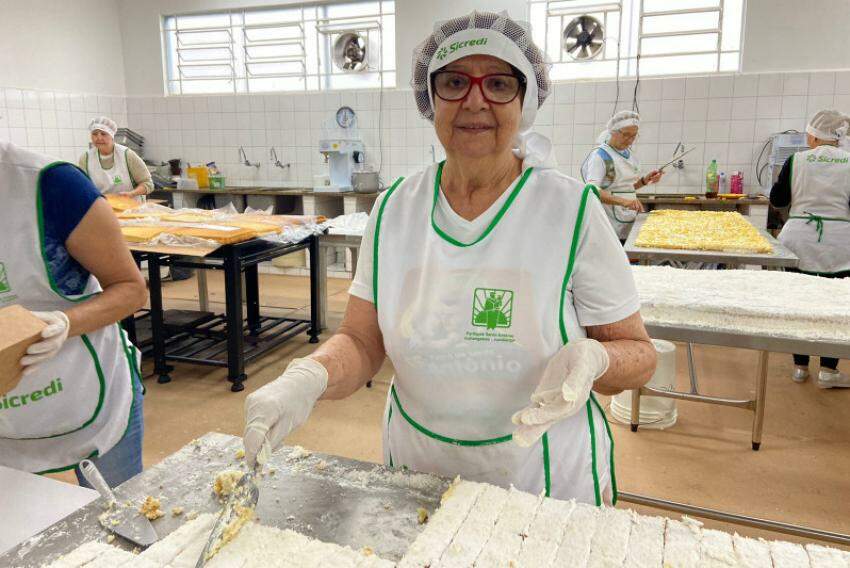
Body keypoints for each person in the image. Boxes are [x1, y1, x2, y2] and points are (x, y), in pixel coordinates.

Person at [242, 11, 657, 505]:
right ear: (430, 98)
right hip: (419, 474)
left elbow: (641, 356)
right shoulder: (396, 207)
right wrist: (306, 379)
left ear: (524, 103)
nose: (475, 100)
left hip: (542, 481)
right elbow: (360, 340)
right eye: (455, 82)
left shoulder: (570, 209)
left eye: (499, 83)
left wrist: (596, 359)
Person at [0, 140, 148, 486]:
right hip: (8, 412)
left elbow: (131, 288)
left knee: (118, 520)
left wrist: (65, 324)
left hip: (83, 386)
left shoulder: (50, 185)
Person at [770, 109, 850, 388]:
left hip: (799, 240)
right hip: (840, 246)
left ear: (814, 136)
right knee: (834, 308)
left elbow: (778, 200)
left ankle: (800, 366)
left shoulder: (796, 160)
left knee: (800, 305)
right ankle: (829, 370)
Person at [581, 111, 664, 241]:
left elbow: (624, 188)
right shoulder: (602, 156)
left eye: (634, 136)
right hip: (608, 222)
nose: (630, 140)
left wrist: (644, 180)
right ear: (613, 132)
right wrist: (624, 202)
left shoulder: (628, 154)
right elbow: (592, 190)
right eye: (626, 135)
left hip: (627, 218)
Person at [79, 116, 152, 198]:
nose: (99, 138)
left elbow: (148, 184)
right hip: (103, 207)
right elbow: (83, 187)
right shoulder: (86, 158)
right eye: (95, 134)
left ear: (112, 136)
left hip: (131, 207)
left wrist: (132, 194)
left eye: (103, 134)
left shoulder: (127, 155)